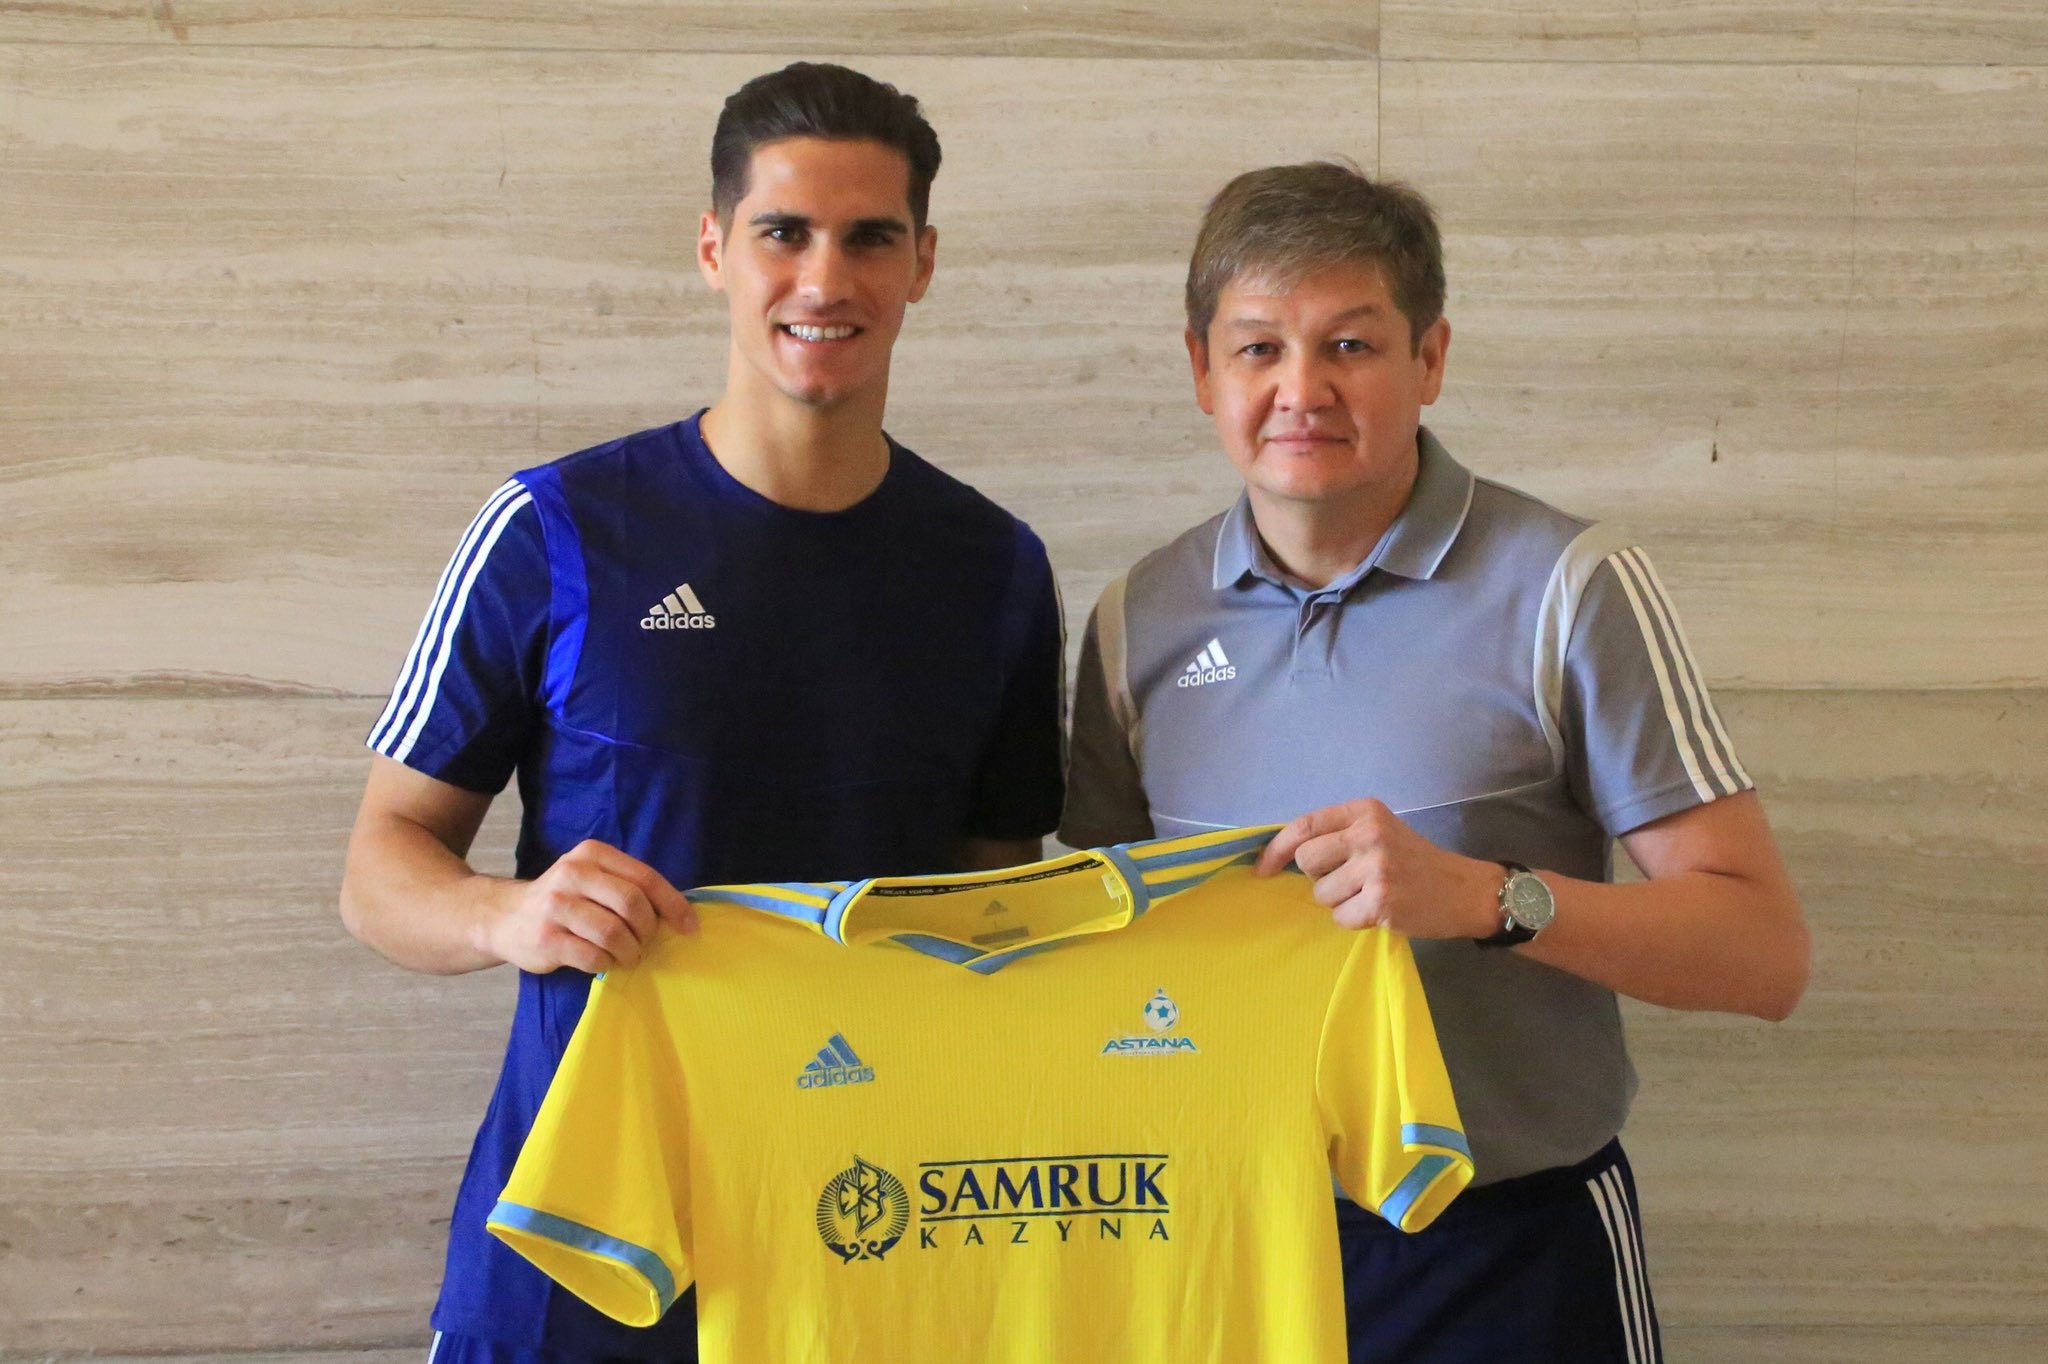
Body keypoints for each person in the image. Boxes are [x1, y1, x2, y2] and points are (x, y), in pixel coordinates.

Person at [340, 62, 1065, 1364]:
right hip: (581, 1238)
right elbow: (379, 867)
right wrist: (508, 915)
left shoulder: (997, 570)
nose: (824, 280)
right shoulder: (556, 527)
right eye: (784, 232)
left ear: (922, 263)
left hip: (873, 1242)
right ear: (714, 249)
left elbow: (996, 916)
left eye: (869, 238)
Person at [1060, 162, 1811, 1364]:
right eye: (1257, 349)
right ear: (1201, 369)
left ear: (1430, 357)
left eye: (1349, 344)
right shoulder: (1133, 620)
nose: (1301, 389)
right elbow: (1105, 955)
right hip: (1220, 1249)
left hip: (1506, 1254)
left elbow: (1761, 952)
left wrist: (1480, 897)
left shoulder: (1567, 587)